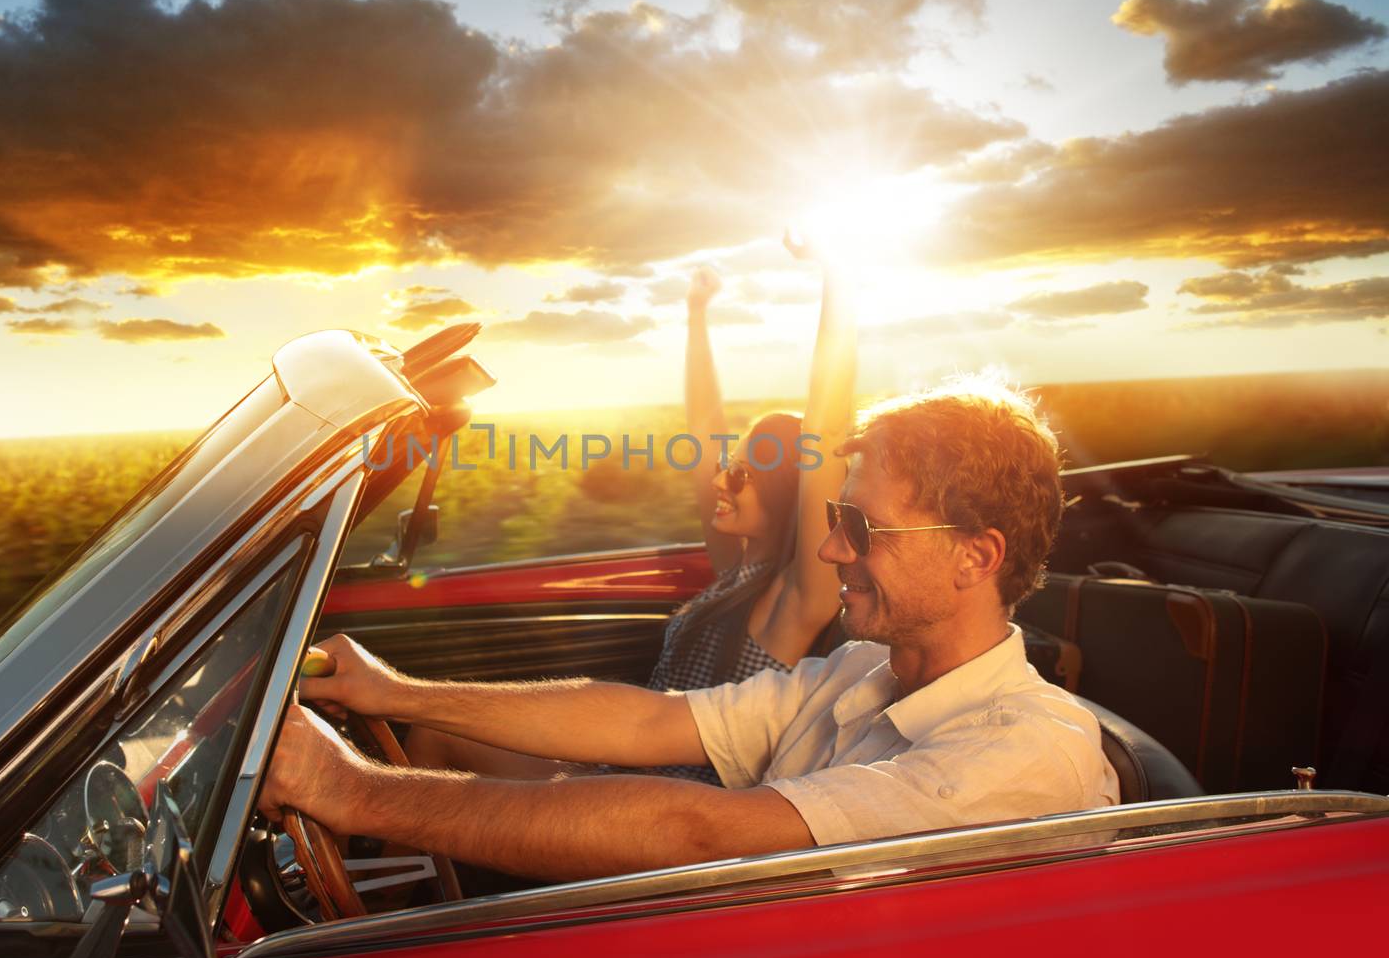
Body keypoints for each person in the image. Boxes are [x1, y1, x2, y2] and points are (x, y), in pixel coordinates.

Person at [258, 378, 1119, 883]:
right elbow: (648, 720)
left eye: (861, 526)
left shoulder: (1026, 752)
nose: (828, 546)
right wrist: (395, 690)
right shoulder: (861, 669)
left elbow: (700, 833)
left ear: (976, 556)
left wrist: (357, 792)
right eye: (831, 516)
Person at [404, 232, 857, 783]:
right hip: (618, 768)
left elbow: (828, 428)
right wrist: (696, 314)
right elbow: (702, 429)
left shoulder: (796, 600)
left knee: (432, 737)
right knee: (433, 734)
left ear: (789, 493)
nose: (720, 478)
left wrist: (836, 273)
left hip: (668, 799)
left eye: (740, 475)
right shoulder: (737, 570)